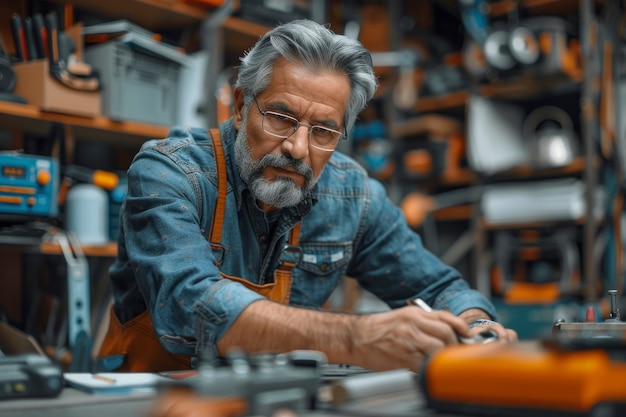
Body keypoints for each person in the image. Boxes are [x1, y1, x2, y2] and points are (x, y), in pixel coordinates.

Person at [99, 19, 517, 374]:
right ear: (242, 106)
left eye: (323, 131)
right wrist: (356, 336)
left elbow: (440, 286)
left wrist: (476, 326)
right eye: (282, 118)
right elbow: (191, 303)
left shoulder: (352, 197)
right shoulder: (170, 172)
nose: (298, 148)